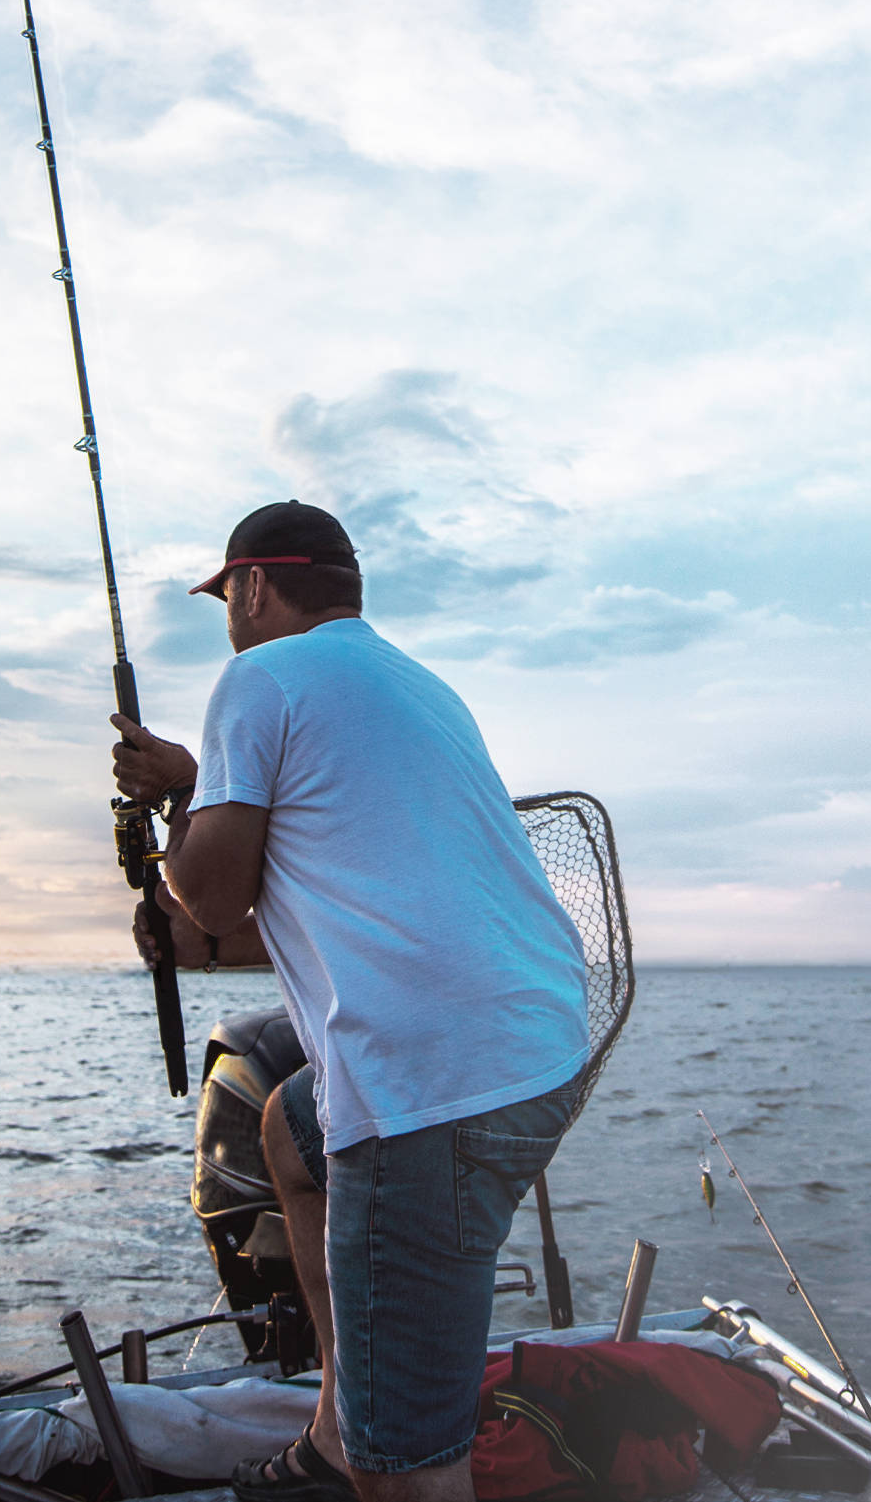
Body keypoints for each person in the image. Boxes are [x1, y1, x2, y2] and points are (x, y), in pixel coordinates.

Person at [111, 500, 590, 1502]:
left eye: (226, 599)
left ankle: (376, 1450)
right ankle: (339, 1428)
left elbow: (211, 896)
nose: (229, 621)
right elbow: (329, 903)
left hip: (433, 1088)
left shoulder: (259, 676)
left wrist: (180, 802)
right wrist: (197, 809)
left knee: (407, 1469)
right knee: (291, 1131)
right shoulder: (417, 688)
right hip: (538, 1050)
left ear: (252, 586)